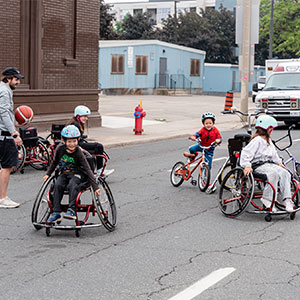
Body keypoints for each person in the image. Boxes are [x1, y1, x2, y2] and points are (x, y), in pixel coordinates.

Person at [44, 125, 100, 223]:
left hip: (78, 173)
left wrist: (95, 186)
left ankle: (71, 210)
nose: (72, 144)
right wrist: (48, 174)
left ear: (78, 140)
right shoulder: (60, 149)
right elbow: (55, 162)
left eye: (74, 141)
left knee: (72, 184)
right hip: (64, 172)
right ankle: (56, 212)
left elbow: (87, 169)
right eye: (69, 141)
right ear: (63, 140)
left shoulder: (78, 152)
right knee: (57, 185)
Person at [240, 115, 295, 213]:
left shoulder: (268, 141)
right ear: (267, 129)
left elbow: (274, 154)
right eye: (271, 128)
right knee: (272, 174)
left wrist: (279, 163)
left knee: (285, 173)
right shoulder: (257, 140)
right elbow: (245, 153)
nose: (272, 130)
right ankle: (268, 200)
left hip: (269, 164)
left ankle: (287, 200)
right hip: (258, 165)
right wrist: (247, 165)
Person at [0, 67, 24, 208]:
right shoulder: (4, 92)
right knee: (7, 167)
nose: (18, 82)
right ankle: (3, 198)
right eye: (16, 79)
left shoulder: (2, 89)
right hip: (4, 136)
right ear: (8, 78)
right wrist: (14, 133)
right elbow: (3, 113)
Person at [68, 105, 114, 177]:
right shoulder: (75, 125)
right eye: (84, 116)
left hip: (79, 143)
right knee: (98, 146)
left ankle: (99, 170)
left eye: (86, 117)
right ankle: (99, 171)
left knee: (97, 148)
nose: (86, 118)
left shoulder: (76, 123)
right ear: (78, 116)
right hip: (78, 145)